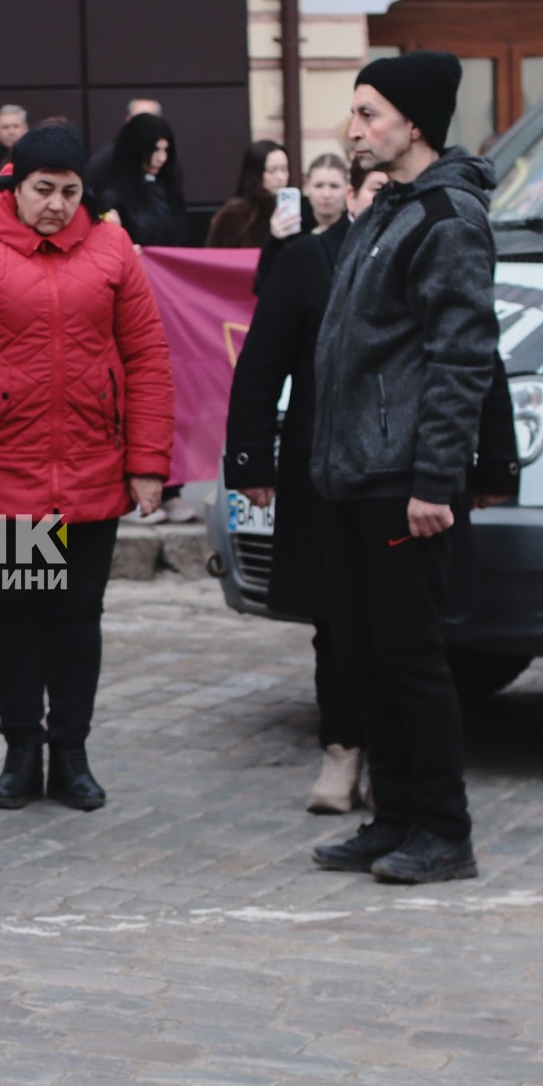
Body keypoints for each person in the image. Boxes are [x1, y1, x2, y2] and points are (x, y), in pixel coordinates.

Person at [0, 121, 175, 811]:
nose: (57, 205)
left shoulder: (111, 246)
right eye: (43, 190)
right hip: (3, 471)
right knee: (14, 613)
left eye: (70, 191)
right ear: (15, 185)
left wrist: (148, 462)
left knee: (78, 616)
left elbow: (147, 356)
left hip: (92, 466)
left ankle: (72, 753)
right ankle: (21, 750)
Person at [309, 50, 499, 887]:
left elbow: (463, 358)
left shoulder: (447, 218)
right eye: (354, 113)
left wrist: (433, 481)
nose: (353, 129)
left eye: (369, 113)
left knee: (412, 659)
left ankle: (445, 831)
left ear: (414, 124)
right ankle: (392, 819)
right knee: (366, 657)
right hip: (351, 475)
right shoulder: (387, 209)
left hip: (402, 481)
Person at [224, 160, 391, 812]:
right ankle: (343, 747)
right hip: (321, 466)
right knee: (336, 619)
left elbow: (471, 355)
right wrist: (250, 463)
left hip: (399, 467)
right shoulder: (305, 260)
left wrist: (492, 461)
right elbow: (260, 365)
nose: (386, 201)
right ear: (350, 194)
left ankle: (393, 756)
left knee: (397, 621)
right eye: (376, 190)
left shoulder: (423, 254)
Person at [105, 112, 189, 248]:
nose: (161, 158)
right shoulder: (114, 197)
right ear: (137, 150)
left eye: (165, 150)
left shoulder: (169, 187)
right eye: (155, 150)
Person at [206, 141, 295, 249]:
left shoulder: (296, 207)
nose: (281, 177)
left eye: (284, 169)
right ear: (256, 173)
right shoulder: (234, 214)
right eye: (272, 170)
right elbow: (216, 254)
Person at [85, 97, 163, 193]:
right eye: (138, 119)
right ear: (128, 120)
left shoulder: (165, 157)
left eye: (151, 119)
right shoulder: (107, 158)